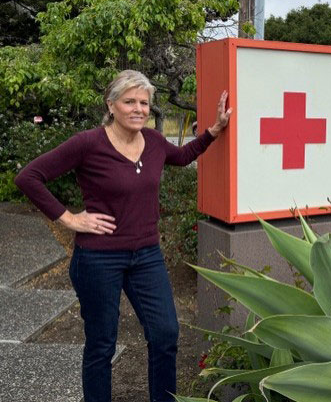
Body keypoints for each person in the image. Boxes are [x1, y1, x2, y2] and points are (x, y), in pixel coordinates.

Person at [14, 69, 232, 402]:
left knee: (165, 334)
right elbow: (29, 178)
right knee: (102, 343)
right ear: (111, 105)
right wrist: (69, 218)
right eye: (129, 101)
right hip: (98, 258)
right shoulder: (88, 143)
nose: (138, 109)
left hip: (146, 255)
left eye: (144, 103)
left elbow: (184, 156)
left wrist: (214, 131)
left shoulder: (155, 142)